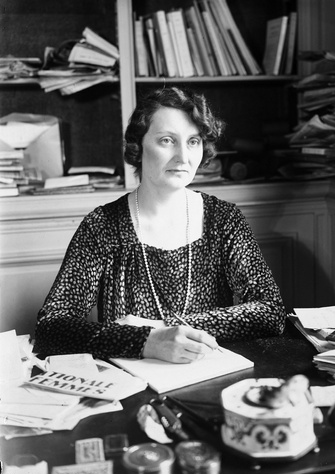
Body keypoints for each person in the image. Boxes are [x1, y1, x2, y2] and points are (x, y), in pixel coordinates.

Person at [34, 87, 286, 363]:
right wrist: (146, 343)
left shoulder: (224, 219)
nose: (183, 157)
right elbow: (51, 327)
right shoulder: (102, 226)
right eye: (167, 140)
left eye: (193, 141)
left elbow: (271, 312)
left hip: (207, 373)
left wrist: (158, 329)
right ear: (138, 146)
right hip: (131, 382)